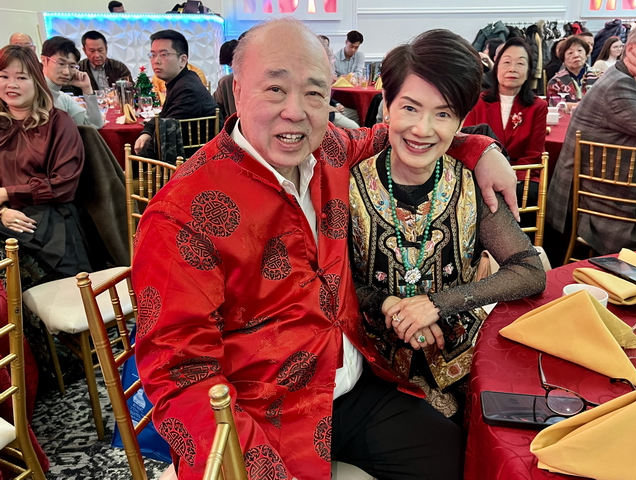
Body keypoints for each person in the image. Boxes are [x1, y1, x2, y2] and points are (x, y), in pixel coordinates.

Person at [132, 18, 518, 480]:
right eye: (275, 89)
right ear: (237, 90)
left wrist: (481, 149)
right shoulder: (182, 214)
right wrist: (260, 471)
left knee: (464, 462)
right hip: (261, 413)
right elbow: (179, 374)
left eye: (314, 93)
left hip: (353, 387)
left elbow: (402, 135)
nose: (296, 111)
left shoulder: (329, 150)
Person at [350, 30, 545, 421]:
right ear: (386, 105)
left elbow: (529, 270)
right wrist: (389, 306)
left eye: (443, 114)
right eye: (409, 108)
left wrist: (438, 305)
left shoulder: (471, 182)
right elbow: (332, 278)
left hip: (465, 358)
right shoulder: (349, 184)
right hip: (374, 369)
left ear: (461, 120)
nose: (423, 129)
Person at [0, 45, 90, 287]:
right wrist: (3, 210)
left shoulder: (58, 122)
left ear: (36, 80)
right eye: (4, 76)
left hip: (51, 217)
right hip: (5, 218)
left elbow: (64, 185)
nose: (11, 85)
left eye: (21, 78)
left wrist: (7, 193)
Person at [546, 27, 636, 258]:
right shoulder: (618, 86)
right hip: (605, 206)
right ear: (631, 49)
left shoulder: (622, 77)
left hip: (613, 191)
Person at [465, 37, 547, 228]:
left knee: (527, 193)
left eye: (520, 63)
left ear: (529, 71)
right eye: (507, 62)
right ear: (496, 68)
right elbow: (468, 144)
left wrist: (509, 177)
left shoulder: (538, 107)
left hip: (521, 174)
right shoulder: (478, 101)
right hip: (482, 171)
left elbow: (533, 154)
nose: (512, 69)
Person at [133, 29, 217, 157]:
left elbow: (165, 139)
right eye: (153, 55)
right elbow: (164, 115)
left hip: (190, 163)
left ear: (183, 60)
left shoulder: (187, 91)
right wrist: (147, 132)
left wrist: (132, 166)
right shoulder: (184, 80)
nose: (156, 61)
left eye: (164, 54)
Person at [41, 36, 104, 129]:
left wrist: (87, 89)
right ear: (44, 60)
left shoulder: (64, 99)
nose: (66, 72)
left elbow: (94, 124)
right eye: (61, 64)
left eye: (72, 66)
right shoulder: (32, 94)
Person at [546, 35, 598, 103]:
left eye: (580, 51)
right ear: (563, 58)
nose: (576, 55)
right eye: (570, 53)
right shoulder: (556, 82)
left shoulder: (599, 77)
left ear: (586, 54)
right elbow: (555, 104)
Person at [213, 39, 238, 120]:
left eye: (231, 63)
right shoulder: (225, 82)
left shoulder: (225, 81)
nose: (232, 66)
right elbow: (215, 105)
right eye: (228, 64)